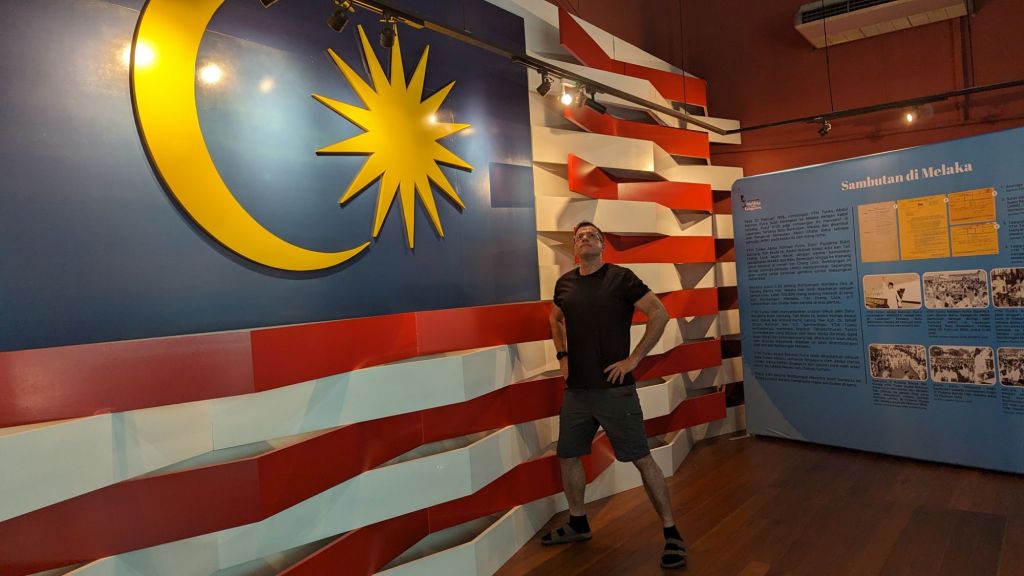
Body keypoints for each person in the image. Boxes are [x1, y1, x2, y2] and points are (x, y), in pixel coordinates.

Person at [542, 221, 686, 570]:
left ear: (603, 244)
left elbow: (659, 312)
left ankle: (672, 532)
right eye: (580, 236)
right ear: (575, 248)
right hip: (577, 392)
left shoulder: (621, 278)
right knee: (568, 455)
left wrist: (633, 360)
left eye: (592, 234)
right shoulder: (565, 284)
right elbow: (554, 318)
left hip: (615, 391)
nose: (586, 238)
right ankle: (578, 522)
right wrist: (562, 355)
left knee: (641, 458)